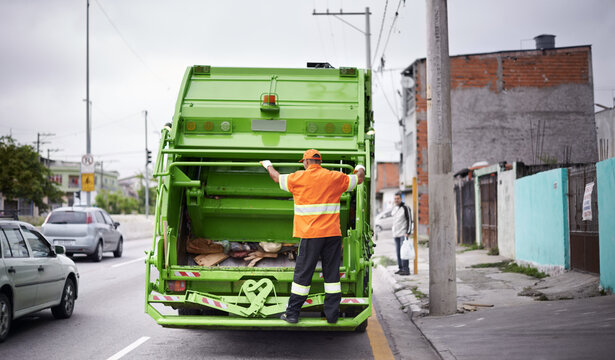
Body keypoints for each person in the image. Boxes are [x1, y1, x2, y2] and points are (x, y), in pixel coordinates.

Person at [260, 149, 365, 324]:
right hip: (332, 235)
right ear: (319, 162)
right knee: (332, 276)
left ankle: (292, 313)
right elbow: (359, 178)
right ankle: (332, 316)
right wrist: (360, 165)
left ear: (306, 162)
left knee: (303, 274)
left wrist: (267, 165)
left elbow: (276, 178)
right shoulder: (335, 177)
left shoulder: (298, 178)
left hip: (311, 235)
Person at [392, 191, 413, 276]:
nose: (396, 200)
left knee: (404, 252)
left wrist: (408, 232)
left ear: (401, 198)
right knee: (398, 252)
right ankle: (401, 268)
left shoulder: (405, 208)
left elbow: (409, 220)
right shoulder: (395, 208)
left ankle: (406, 269)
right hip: (396, 234)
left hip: (403, 234)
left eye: (398, 198)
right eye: (395, 199)